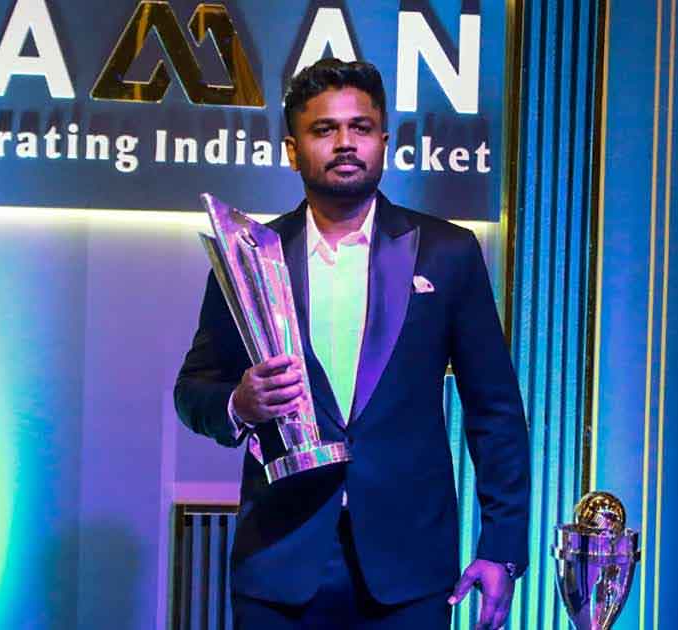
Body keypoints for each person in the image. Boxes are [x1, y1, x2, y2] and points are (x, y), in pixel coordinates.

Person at [174, 58, 529, 630]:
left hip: (409, 571)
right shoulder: (249, 258)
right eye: (324, 129)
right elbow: (192, 391)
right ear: (293, 150)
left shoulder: (448, 252)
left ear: (383, 142)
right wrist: (239, 403)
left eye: (360, 127)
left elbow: (496, 411)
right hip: (280, 564)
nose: (345, 142)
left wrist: (501, 548)